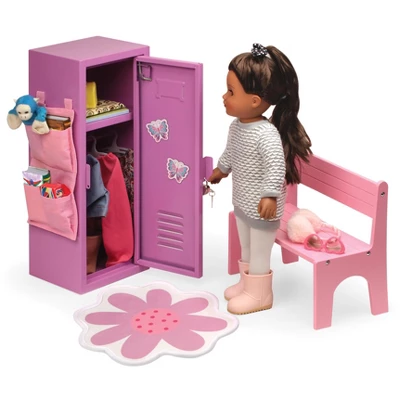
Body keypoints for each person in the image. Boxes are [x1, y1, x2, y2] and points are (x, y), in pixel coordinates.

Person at [208, 43, 312, 315]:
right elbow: (231, 152)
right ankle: (247, 285)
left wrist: (270, 196)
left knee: (259, 251)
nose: (224, 96)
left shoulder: (266, 134)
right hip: (243, 201)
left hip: (263, 206)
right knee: (246, 245)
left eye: (231, 92)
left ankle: (260, 294)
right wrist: (221, 170)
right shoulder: (236, 127)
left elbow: (276, 166)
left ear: (255, 101)